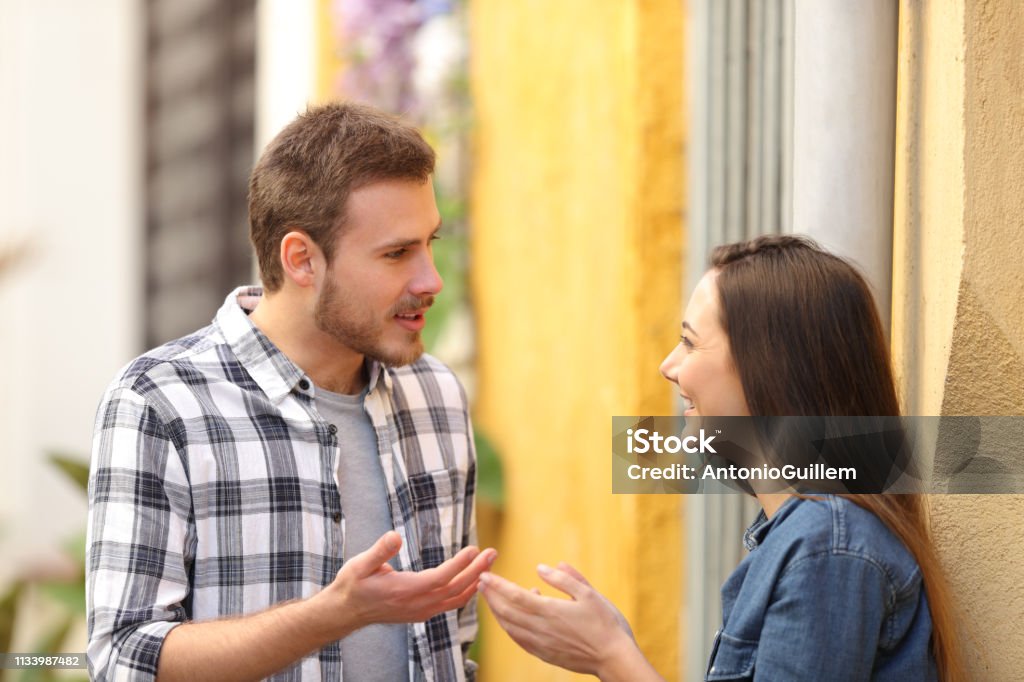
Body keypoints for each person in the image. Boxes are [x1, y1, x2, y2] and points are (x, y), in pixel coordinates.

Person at [86, 102, 496, 682]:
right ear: (302, 259)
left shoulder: (437, 397)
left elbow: (452, 643)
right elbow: (124, 659)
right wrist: (331, 616)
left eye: (430, 242)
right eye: (397, 253)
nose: (431, 280)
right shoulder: (159, 403)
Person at [478, 235, 964, 681]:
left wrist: (612, 656)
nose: (668, 366)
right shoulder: (805, 533)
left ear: (768, 365)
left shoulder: (826, 546)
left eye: (689, 342)